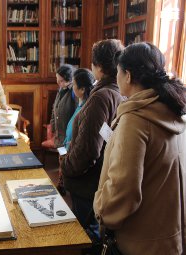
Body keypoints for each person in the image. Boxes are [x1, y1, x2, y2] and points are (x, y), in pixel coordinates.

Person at [94, 42, 186, 254]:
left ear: (127, 75)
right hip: (170, 234)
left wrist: (101, 209)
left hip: (140, 240)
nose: (116, 77)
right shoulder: (173, 109)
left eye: (118, 71)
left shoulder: (135, 120)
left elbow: (123, 190)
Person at [59, 39, 124, 239]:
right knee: (93, 230)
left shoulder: (100, 97)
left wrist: (66, 166)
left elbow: (88, 149)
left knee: (81, 235)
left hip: (88, 181)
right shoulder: (120, 91)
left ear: (97, 67)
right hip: (101, 177)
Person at [42, 64, 77, 149]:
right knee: (61, 158)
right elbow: (54, 108)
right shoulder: (61, 89)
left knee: (65, 159)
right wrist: (53, 126)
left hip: (69, 138)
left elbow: (77, 114)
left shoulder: (74, 92)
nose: (58, 82)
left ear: (69, 80)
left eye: (61, 80)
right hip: (58, 136)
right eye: (57, 78)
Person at [63, 68, 95, 150]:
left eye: (73, 84)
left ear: (82, 89)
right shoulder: (80, 105)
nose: (72, 87)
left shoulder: (86, 109)